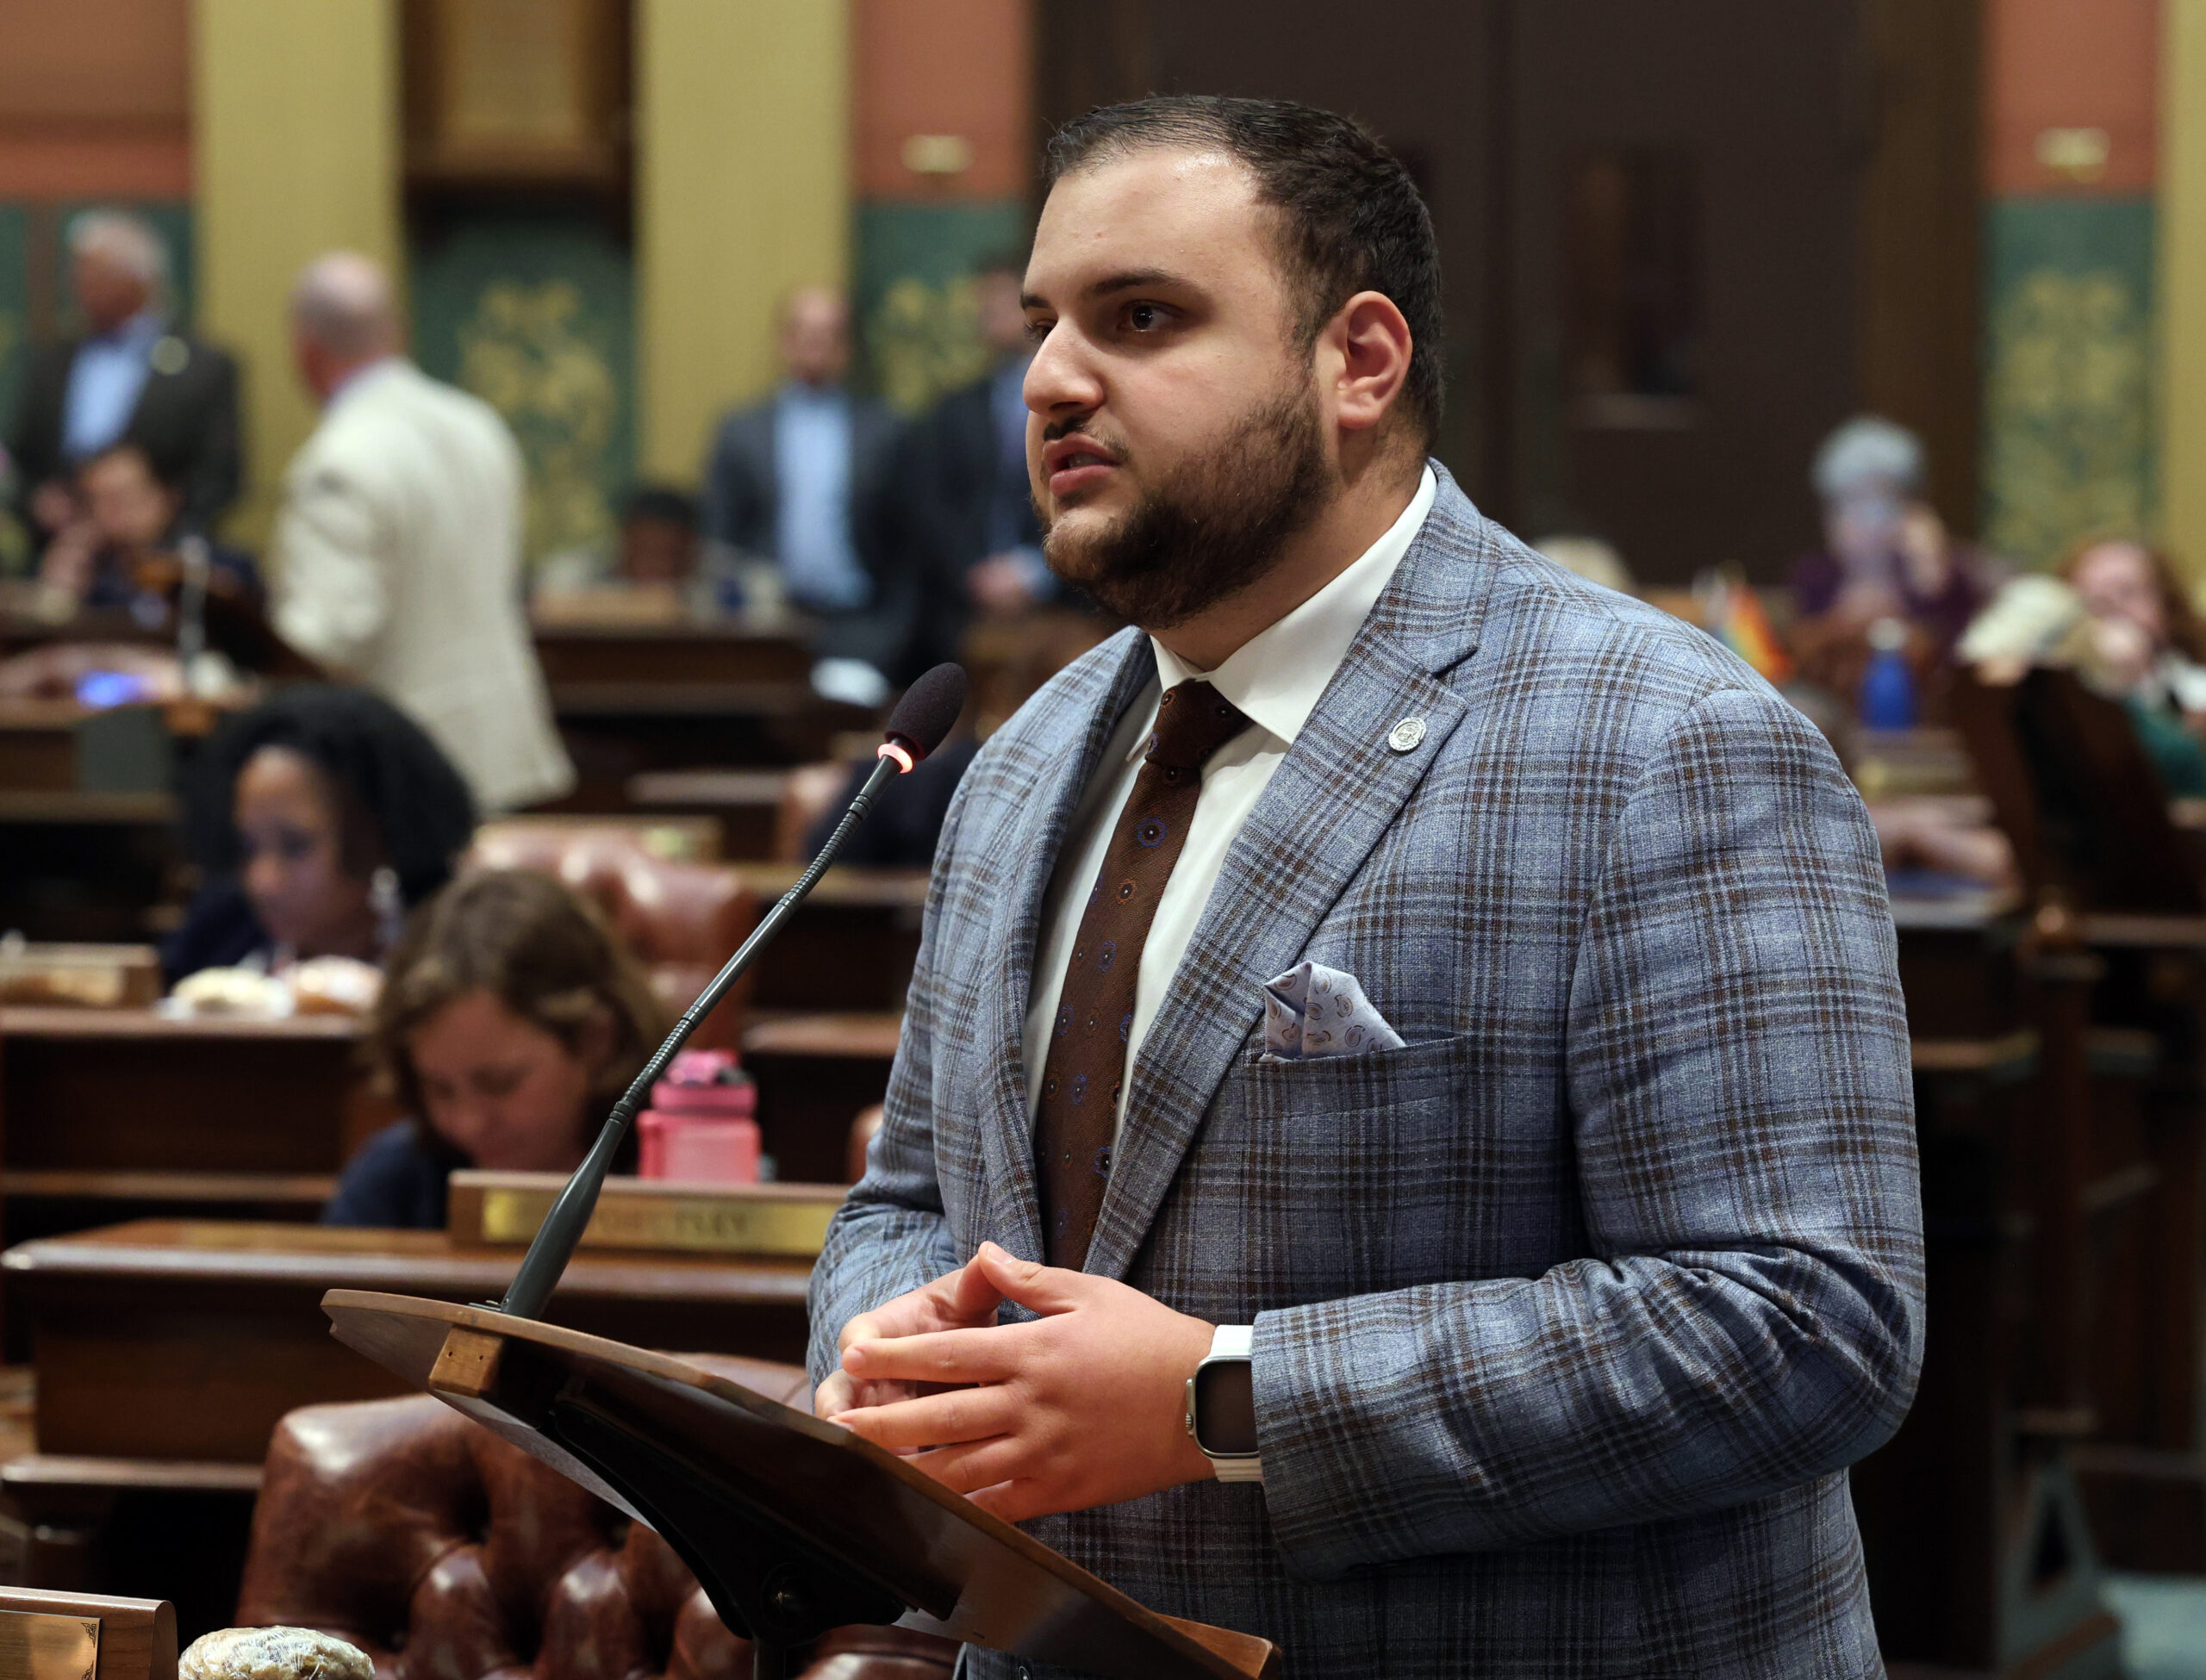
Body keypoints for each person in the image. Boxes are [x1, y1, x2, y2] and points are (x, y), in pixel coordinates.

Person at [807, 96, 1922, 1678]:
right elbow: (910, 1199)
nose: (1052, 377)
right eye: (1044, 322)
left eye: (1142, 319)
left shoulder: (1667, 741)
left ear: (1360, 363)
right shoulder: (1032, 750)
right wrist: (883, 1334)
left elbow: (1807, 1328)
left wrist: (1222, 1398)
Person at [268, 252, 574, 813]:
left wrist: (220, 671)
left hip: (407, 760)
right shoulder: (478, 424)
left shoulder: (337, 463)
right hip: (502, 740)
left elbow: (331, 632)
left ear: (305, 351)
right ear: (398, 333)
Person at [324, 868, 668, 1229]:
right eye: (440, 1089)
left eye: (499, 1083)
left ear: (594, 1042)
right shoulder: (393, 1182)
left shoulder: (678, 1169)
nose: (469, 1124)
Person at [162, 685, 478, 986]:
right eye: (248, 848)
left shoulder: (452, 959)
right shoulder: (218, 944)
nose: (264, 881)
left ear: (377, 836)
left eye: (295, 846)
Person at [700, 286, 907, 686]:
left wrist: (890, 635)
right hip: (767, 628)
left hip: (858, 625)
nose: (815, 344)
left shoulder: (884, 430)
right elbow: (719, 540)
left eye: (829, 333)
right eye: (803, 332)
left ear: (846, 346)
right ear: (783, 341)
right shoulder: (741, 431)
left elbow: (908, 546)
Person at [4, 210, 241, 553]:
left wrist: (153, 515)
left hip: (161, 561)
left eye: (94, 273)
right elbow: (21, 462)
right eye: (77, 272)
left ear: (140, 278)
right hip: (60, 557)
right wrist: (36, 501)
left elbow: (220, 476)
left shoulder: (204, 367)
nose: (78, 285)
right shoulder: (50, 361)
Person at [897, 257, 1059, 677]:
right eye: (982, 305)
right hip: (964, 605)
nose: (987, 314)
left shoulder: (1070, 399)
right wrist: (975, 575)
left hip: (1061, 601)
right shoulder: (954, 409)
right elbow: (932, 507)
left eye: (999, 301)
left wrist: (1035, 575)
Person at [1789, 416, 2006, 705]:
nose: (1868, 520)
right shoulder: (1815, 575)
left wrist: (1932, 574)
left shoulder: (1940, 571)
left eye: (1881, 501)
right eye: (1851, 502)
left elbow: (1962, 657)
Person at [38, 442, 261, 617]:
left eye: (127, 496)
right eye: (101, 501)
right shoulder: (90, 574)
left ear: (166, 495)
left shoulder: (219, 565)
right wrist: (58, 594)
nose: (117, 513)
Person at [533, 483, 736, 617]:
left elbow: (761, 593)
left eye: (670, 555)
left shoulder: (723, 570)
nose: (657, 565)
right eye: (646, 553)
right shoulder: (578, 568)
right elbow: (545, 602)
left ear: (692, 548)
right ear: (624, 543)